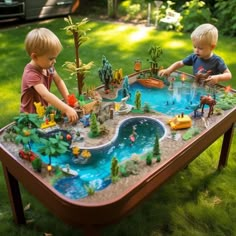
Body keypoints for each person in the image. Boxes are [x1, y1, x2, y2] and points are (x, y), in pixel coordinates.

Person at [20, 27, 78, 123]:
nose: (54, 61)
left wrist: (69, 101)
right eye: (51, 59)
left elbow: (59, 81)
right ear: (35, 56)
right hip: (31, 117)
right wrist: (66, 109)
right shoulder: (31, 74)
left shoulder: (48, 67)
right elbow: (45, 95)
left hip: (43, 113)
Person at [159, 23, 232, 85]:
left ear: (212, 47)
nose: (196, 50)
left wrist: (217, 78)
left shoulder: (217, 61)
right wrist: (169, 70)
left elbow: (228, 75)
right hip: (196, 86)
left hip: (210, 90)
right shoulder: (194, 57)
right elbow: (180, 63)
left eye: (200, 48)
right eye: (194, 47)